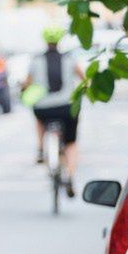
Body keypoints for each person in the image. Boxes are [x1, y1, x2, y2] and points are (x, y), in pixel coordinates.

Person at [23, 27, 85, 196]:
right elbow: (84, 79)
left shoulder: (35, 60)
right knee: (71, 143)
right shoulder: (70, 59)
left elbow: (27, 84)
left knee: (38, 118)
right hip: (67, 108)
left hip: (43, 109)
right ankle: (70, 176)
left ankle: (40, 148)